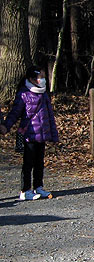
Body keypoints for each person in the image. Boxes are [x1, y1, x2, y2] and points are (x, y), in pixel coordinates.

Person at [1, 66, 59, 200]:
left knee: (39, 162)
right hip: (29, 134)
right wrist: (6, 126)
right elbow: (15, 113)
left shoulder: (44, 94)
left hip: (42, 134)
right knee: (28, 163)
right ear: (31, 79)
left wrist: (54, 135)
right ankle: (25, 190)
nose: (43, 80)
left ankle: (38, 187)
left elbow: (49, 115)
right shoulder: (24, 94)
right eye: (40, 78)